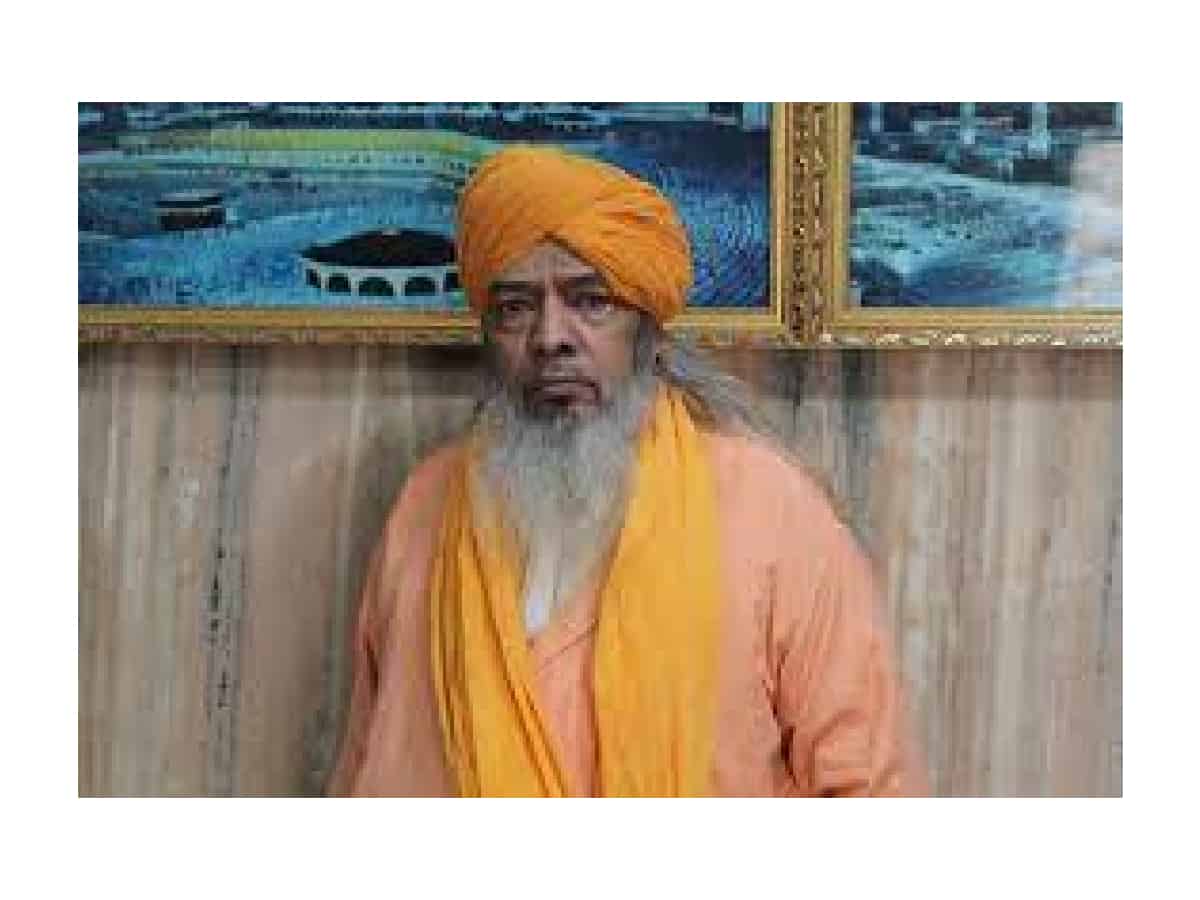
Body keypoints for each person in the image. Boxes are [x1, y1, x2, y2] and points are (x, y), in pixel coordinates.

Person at [327, 145, 926, 797]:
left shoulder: (769, 507)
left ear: (648, 332)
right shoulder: (427, 501)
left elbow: (869, 786)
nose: (550, 338)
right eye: (516, 308)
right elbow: (367, 761)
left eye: (592, 302)